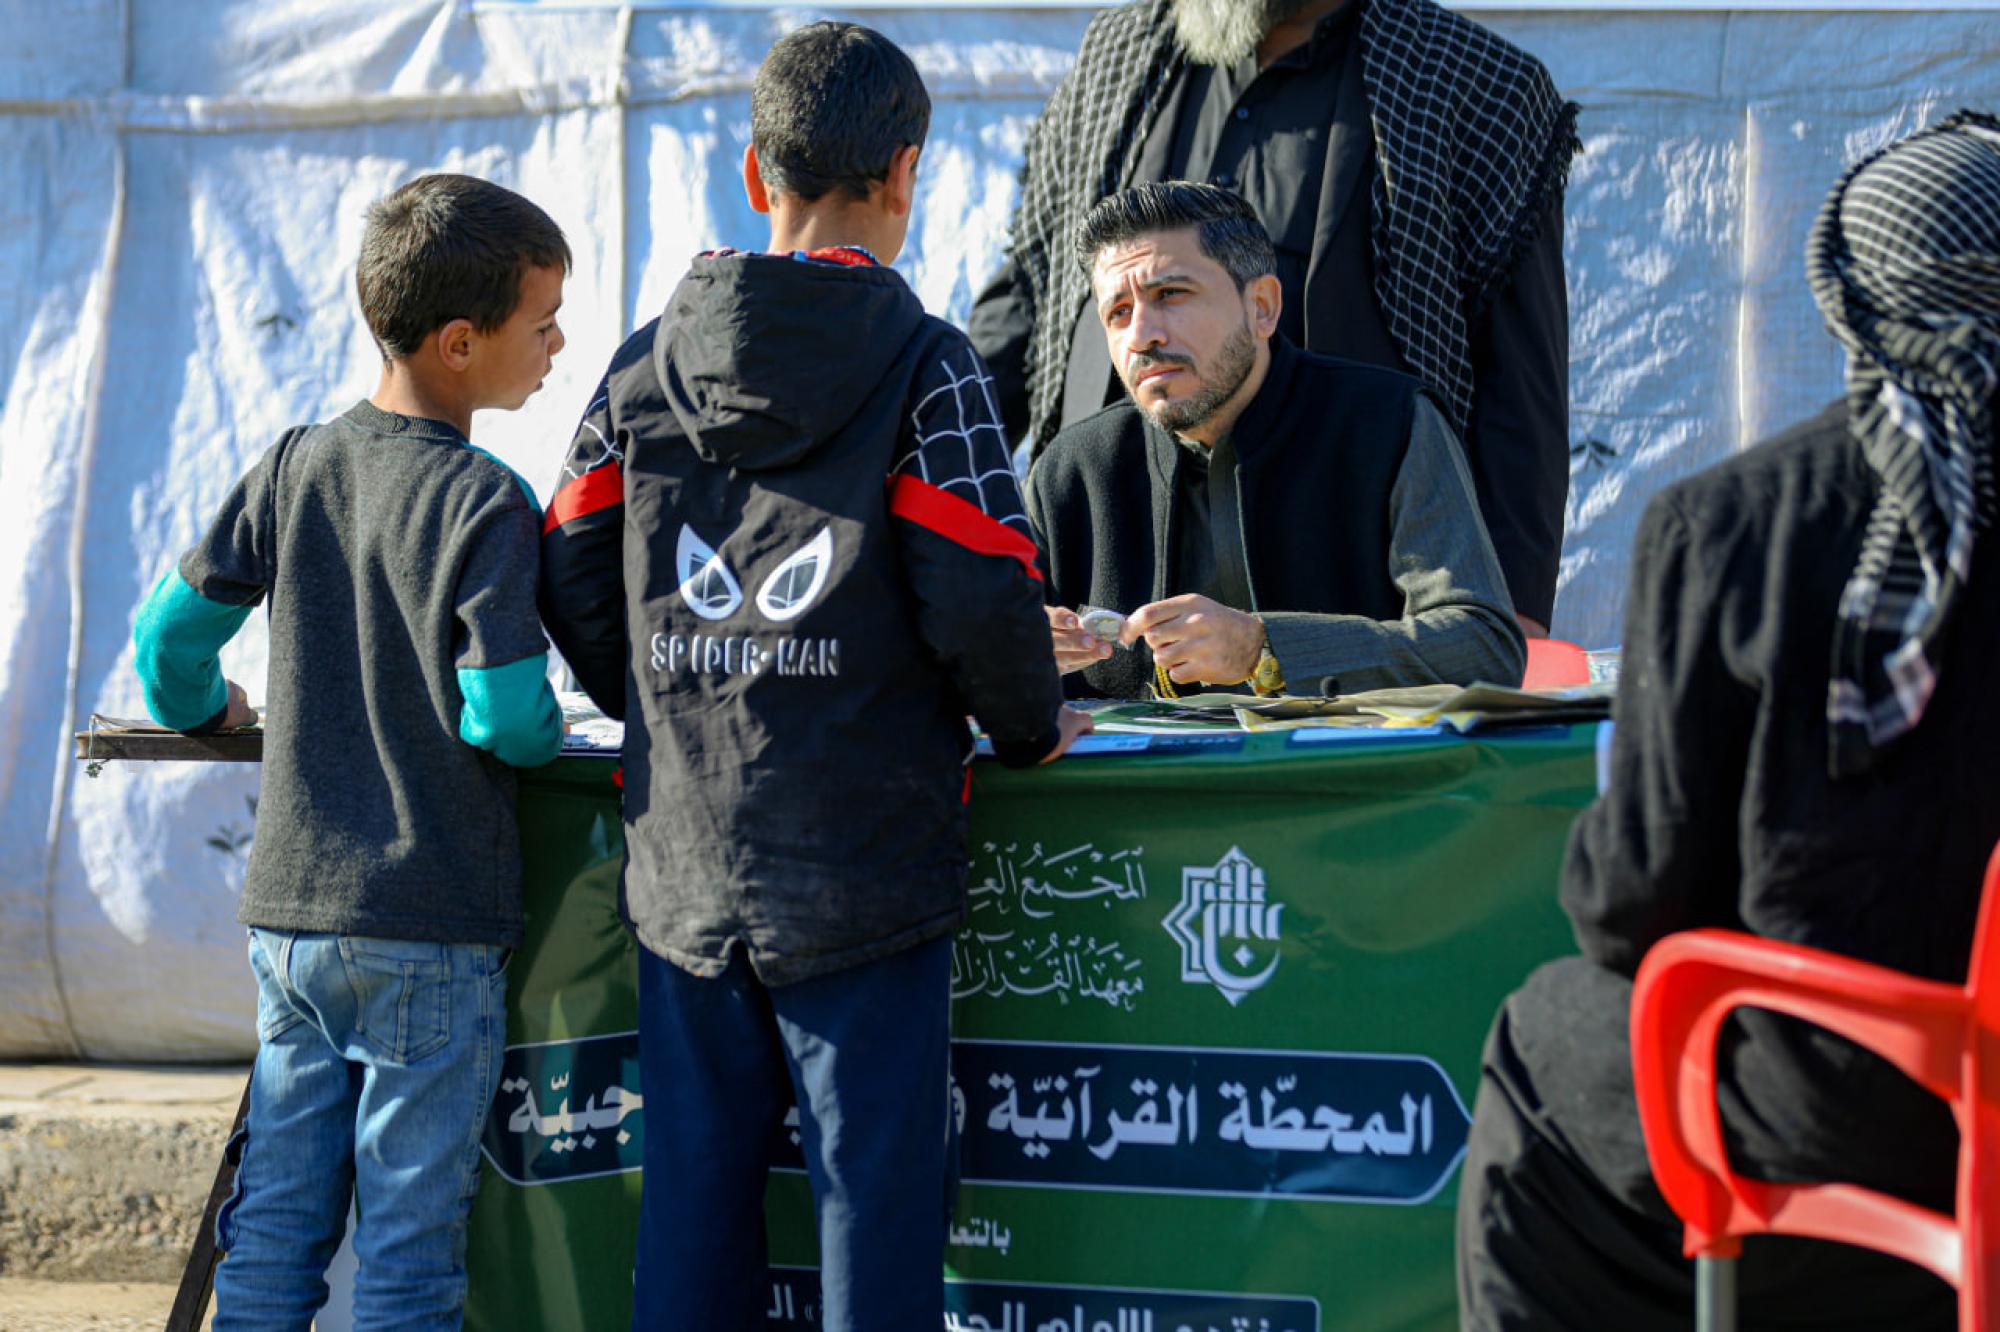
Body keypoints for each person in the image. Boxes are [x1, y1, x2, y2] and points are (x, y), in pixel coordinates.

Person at [536, 21, 1090, 1330]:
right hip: (866, 867)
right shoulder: (928, 367)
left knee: (690, 1201)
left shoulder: (637, 367)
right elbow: (981, 586)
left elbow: (563, 560)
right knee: (870, 1209)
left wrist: (662, 703)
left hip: (681, 864)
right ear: (905, 174)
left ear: (752, 173)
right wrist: (1027, 726)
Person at [1455, 110, 2000, 1331]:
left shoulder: (1730, 523)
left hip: (1841, 1105)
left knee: (1542, 1038)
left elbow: (1630, 904)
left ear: (1847, 299)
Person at [131, 173, 568, 1329]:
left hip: (291, 921)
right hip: (430, 921)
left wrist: (203, 709)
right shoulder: (486, 501)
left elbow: (168, 639)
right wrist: (552, 730)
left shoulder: (293, 464)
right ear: (461, 343)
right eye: (543, 324)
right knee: (408, 1251)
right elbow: (506, 714)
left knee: (276, 1220)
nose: (558, 345)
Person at [969, 0, 1579, 636]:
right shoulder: (1118, 52)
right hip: (1112, 562)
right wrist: (926, 450)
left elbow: (1519, 383)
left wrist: (1513, 616)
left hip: (1339, 576)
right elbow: (1033, 288)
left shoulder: (1475, 81)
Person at [1028, 181, 1523, 700]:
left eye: (1170, 295)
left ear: (1262, 306)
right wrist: (1012, 658)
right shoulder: (1070, 473)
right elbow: (994, 666)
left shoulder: (1388, 424)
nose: (1141, 336)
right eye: (1118, 313)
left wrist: (1264, 648)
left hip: (1351, 757)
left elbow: (1484, 647)